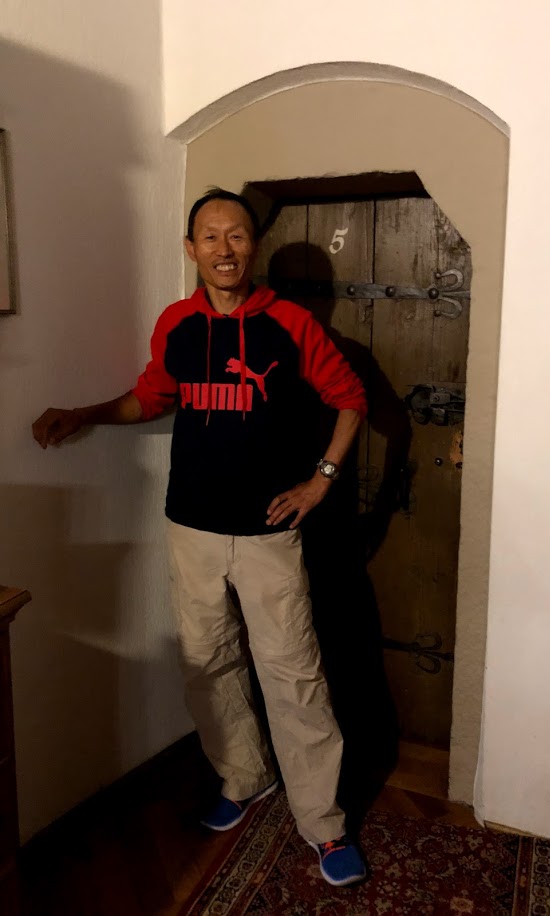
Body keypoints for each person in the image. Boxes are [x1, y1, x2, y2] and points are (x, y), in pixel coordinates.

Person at [32, 188, 368, 887]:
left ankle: (324, 823)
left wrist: (321, 481)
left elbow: (350, 399)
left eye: (236, 235)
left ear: (253, 246)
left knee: (293, 676)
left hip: (269, 534)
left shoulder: (291, 323)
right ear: (191, 249)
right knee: (207, 664)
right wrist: (85, 413)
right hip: (191, 526)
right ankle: (244, 777)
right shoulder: (177, 324)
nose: (224, 249)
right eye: (210, 237)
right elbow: (152, 397)